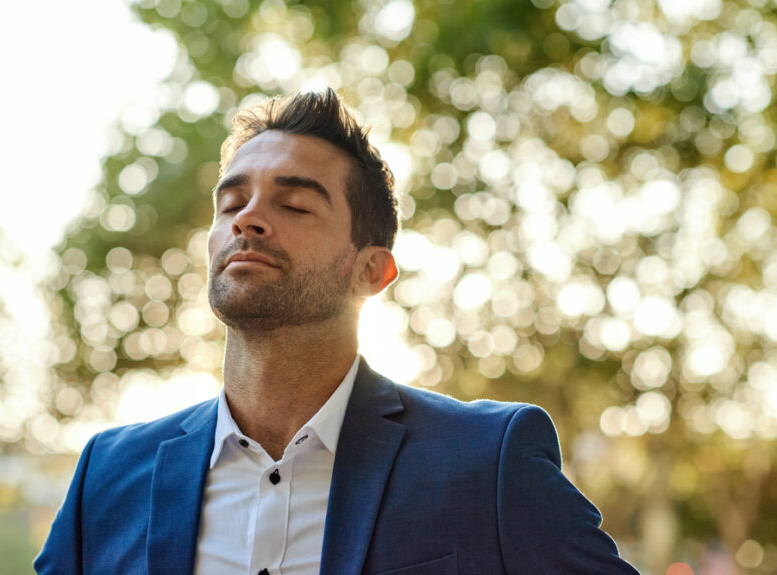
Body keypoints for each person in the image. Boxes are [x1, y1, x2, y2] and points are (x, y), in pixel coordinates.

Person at [35, 89, 641, 574]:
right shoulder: (107, 476)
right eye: (231, 204)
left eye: (294, 205)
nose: (249, 219)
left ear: (371, 270)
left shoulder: (488, 463)